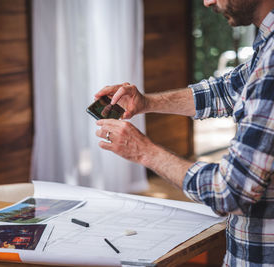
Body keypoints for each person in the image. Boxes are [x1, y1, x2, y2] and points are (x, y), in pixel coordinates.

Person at [95, 0, 274, 265]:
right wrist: (147, 103)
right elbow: (227, 90)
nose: (207, 1)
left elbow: (230, 191)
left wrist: (144, 152)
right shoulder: (267, 45)